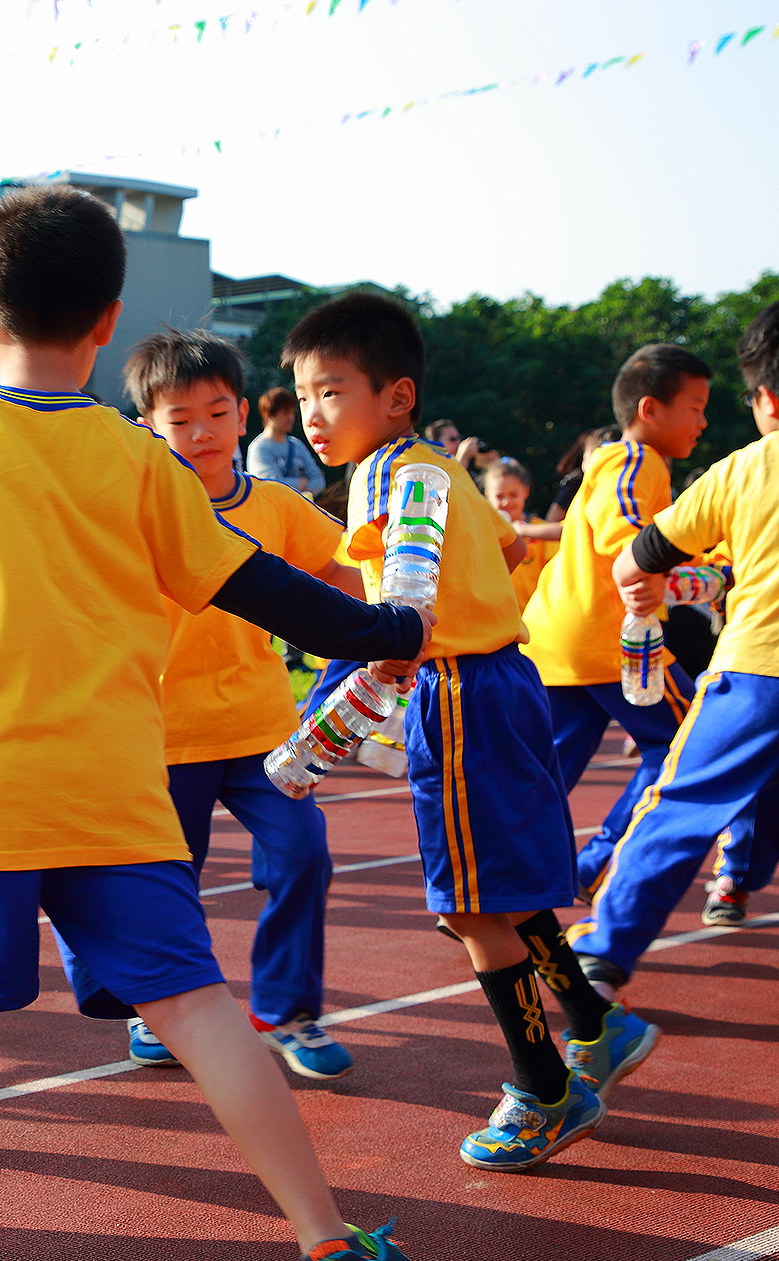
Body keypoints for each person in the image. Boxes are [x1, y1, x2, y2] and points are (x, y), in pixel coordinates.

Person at [0, 188, 435, 1261]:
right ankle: (329, 1239)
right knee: (200, 1007)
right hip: (115, 794)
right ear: (107, 322)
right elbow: (264, 587)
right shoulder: (144, 463)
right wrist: (390, 624)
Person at [286, 290, 655, 1172]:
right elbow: (514, 548)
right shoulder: (441, 467)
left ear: (396, 395)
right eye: (302, 397)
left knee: (467, 903)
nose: (313, 416)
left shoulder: (385, 476)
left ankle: (545, 1090)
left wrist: (340, 698)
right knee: (507, 887)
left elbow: (388, 607)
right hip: (505, 678)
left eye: (331, 392)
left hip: (456, 693)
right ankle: (596, 1026)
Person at [572, 291, 779, 1026]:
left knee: (682, 809)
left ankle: (600, 961)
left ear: (767, 396)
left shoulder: (741, 470)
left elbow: (636, 561)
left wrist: (659, 587)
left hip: (758, 678)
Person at [105, 327, 365, 1080]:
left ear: (243, 414)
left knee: (303, 855)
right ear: (148, 427)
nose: (200, 433)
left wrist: (396, 617)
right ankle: (160, 1007)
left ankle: (287, 1010)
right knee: (164, 883)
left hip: (263, 732)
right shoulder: (133, 508)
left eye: (216, 414)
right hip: (161, 733)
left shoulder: (278, 506)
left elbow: (347, 572)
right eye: (179, 418)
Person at [521, 345, 779, 901]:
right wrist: (712, 569)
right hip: (611, 639)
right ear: (650, 409)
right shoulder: (635, 461)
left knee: (550, 766)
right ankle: (597, 865)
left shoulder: (618, 463)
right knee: (683, 745)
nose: (704, 420)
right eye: (695, 406)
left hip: (560, 640)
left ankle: (512, 873)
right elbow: (630, 540)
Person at [483, 458, 554, 613]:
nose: (507, 502)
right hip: (494, 618)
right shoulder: (482, 531)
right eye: (499, 496)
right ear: (488, 496)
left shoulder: (542, 531)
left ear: (525, 492)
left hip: (533, 617)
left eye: (513, 494)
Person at [245, 385, 325, 495]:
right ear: (268, 415)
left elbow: (319, 479)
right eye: (285, 412)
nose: (291, 417)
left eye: (292, 412)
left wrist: (305, 493)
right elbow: (270, 486)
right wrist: (301, 483)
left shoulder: (297, 445)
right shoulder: (259, 448)